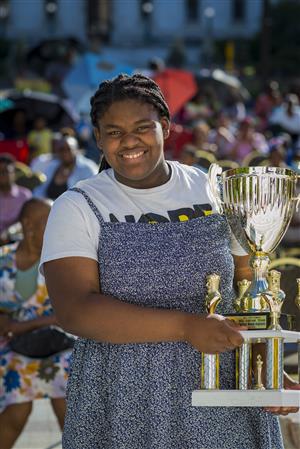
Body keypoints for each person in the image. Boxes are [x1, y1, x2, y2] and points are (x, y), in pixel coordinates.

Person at [41, 74, 299, 449]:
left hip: (220, 393)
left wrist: (263, 367)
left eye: (142, 127)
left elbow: (246, 282)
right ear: (97, 138)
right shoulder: (76, 205)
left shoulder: (212, 189)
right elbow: (75, 311)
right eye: (113, 132)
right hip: (124, 400)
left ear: (165, 126)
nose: (129, 141)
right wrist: (185, 327)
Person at [0, 198, 71, 449]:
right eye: (48, 222)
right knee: (16, 413)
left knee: (69, 412)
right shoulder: (3, 260)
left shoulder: (63, 261)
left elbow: (72, 313)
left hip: (60, 346)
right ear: (28, 225)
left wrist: (20, 325)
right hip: (14, 349)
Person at [33, 134, 98, 199]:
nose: (65, 152)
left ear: (76, 150)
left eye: (69, 149)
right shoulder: (52, 166)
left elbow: (93, 194)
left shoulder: (88, 168)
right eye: (61, 149)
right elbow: (40, 190)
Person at [0, 154, 32, 244]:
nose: (2, 175)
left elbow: (28, 221)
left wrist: (10, 232)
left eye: (6, 171)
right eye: (0, 172)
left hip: (18, 241)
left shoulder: (25, 195)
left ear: (13, 173)